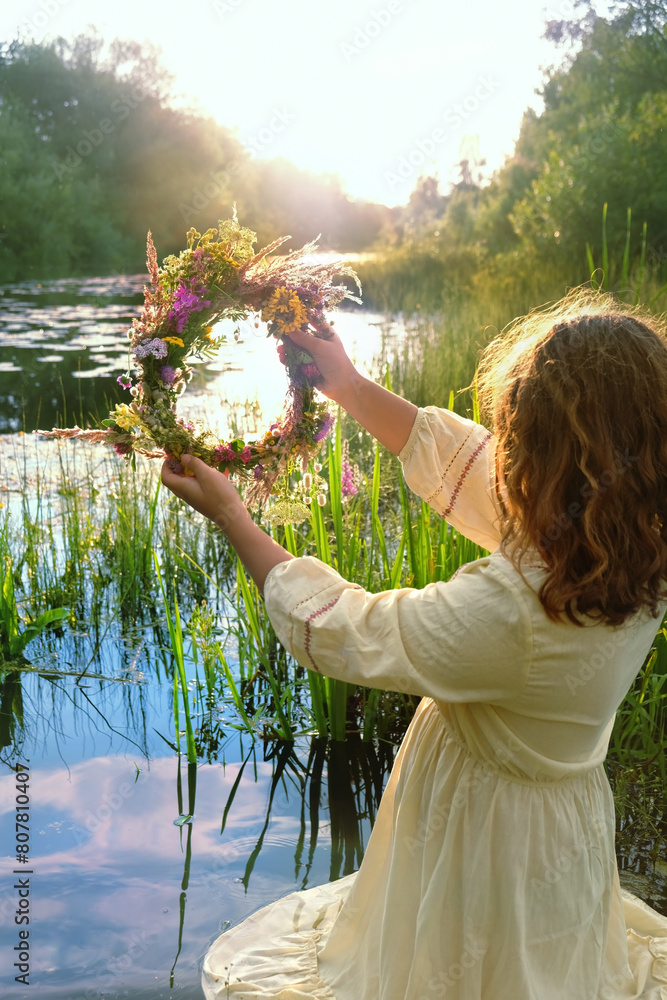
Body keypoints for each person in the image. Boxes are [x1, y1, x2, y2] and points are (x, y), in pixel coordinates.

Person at [162, 289, 667, 999]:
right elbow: (475, 466)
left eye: (520, 437)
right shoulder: (630, 533)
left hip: (486, 831)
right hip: (558, 823)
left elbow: (344, 628)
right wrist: (348, 386)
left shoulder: (513, 610)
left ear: (549, 458)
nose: (505, 452)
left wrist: (233, 517)